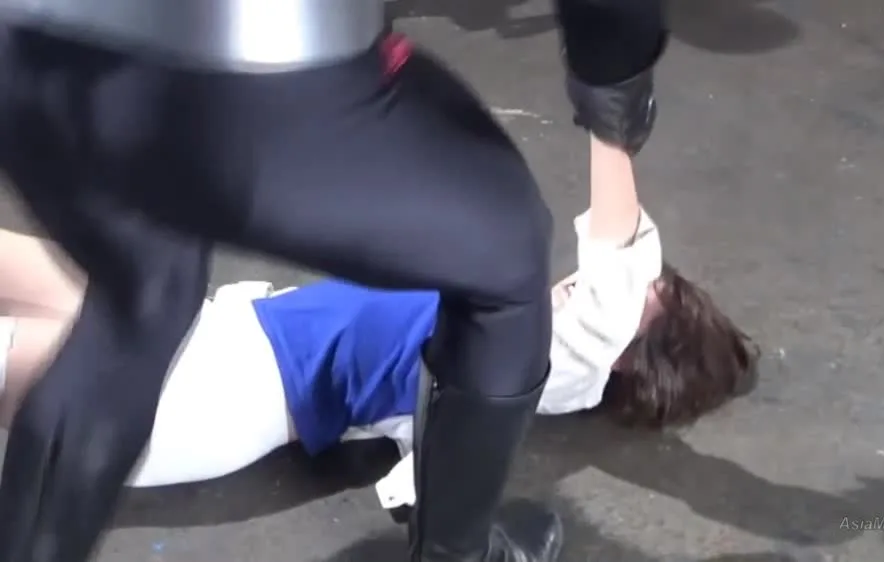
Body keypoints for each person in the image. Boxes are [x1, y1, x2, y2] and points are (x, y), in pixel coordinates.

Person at [0, 0, 668, 560]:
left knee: (139, 299)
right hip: (229, 90)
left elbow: (615, 281)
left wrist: (614, 127)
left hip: (40, 47)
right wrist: (616, 81)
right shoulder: (494, 352)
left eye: (651, 294)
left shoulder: (572, 364)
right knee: (508, 251)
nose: (590, 283)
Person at [0, 132, 758, 508]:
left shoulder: (552, 362)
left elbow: (619, 255)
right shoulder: (519, 335)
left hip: (208, 396)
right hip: (208, 335)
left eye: (639, 296)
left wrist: (610, 104)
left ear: (628, 352)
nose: (585, 282)